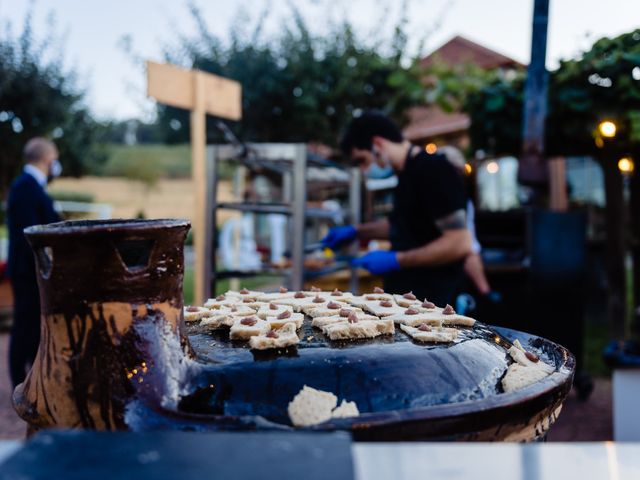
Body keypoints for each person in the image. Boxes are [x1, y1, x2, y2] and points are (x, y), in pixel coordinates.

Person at [322, 112, 471, 305]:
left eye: (362, 160)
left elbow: (459, 243)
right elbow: (402, 224)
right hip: (405, 296)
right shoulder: (405, 175)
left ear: (378, 144)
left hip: (432, 299)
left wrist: (397, 259)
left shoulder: (435, 169)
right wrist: (356, 231)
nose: (364, 170)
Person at [6, 137, 62, 387]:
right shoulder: (26, 187)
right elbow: (31, 234)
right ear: (48, 159)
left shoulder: (31, 186)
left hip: (31, 269)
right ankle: (21, 381)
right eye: (55, 159)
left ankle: (31, 378)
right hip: (27, 270)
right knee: (24, 325)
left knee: (31, 325)